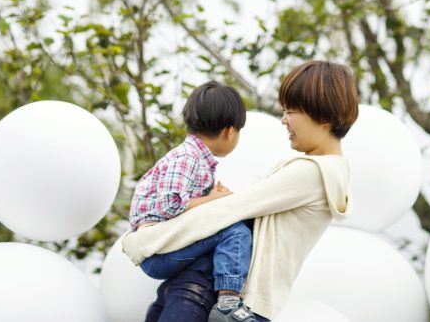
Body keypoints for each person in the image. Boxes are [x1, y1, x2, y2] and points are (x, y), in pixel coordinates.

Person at [124, 60, 359, 322]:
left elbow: (226, 212)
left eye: (291, 111)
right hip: (207, 287)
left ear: (324, 116)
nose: (283, 120)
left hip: (215, 294)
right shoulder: (320, 171)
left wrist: (144, 240)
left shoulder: (312, 172)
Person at [129, 81, 258, 321]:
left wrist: (211, 198)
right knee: (236, 231)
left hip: (166, 245)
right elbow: (169, 205)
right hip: (159, 249)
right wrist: (212, 200)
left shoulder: (194, 157)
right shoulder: (187, 157)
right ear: (230, 131)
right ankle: (229, 301)